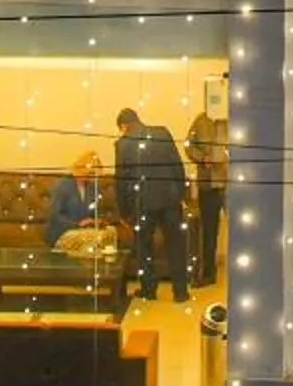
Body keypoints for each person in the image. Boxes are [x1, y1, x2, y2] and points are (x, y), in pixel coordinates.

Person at [111, 108, 192, 303]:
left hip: (143, 203)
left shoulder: (123, 144)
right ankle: (180, 292)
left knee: (144, 247)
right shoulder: (162, 133)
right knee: (176, 245)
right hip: (170, 200)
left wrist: (124, 212)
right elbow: (177, 166)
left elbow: (121, 180)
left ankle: (149, 290)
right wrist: (181, 194)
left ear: (124, 126)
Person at [188, 110, 230, 286]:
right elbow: (188, 145)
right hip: (208, 185)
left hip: (233, 184)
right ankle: (208, 274)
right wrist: (201, 157)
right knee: (209, 232)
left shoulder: (238, 116)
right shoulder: (201, 120)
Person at [46, 152, 108, 244]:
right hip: (64, 233)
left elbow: (97, 211)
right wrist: (77, 224)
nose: (92, 177)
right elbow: (55, 215)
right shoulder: (63, 186)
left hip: (85, 233)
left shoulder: (92, 188)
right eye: (91, 173)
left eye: (94, 174)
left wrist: (96, 221)